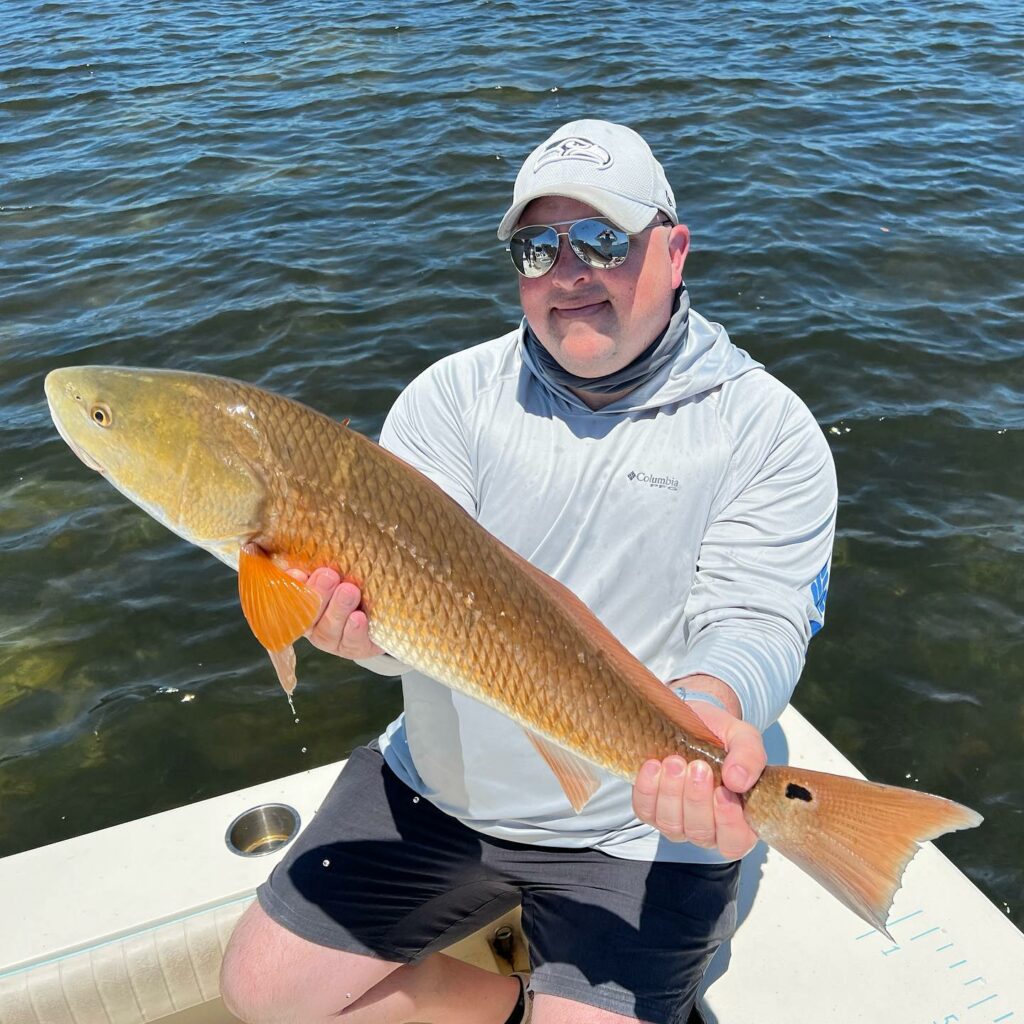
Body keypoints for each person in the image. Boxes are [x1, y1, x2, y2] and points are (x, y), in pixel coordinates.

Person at [220, 119, 838, 1024]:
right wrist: (352, 638)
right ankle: (512, 1007)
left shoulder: (767, 430)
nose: (570, 271)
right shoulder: (447, 400)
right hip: (440, 788)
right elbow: (409, 630)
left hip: (640, 817)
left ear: (675, 250)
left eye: (603, 239)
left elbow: (758, 617)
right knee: (261, 994)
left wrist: (704, 712)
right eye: (537, 246)